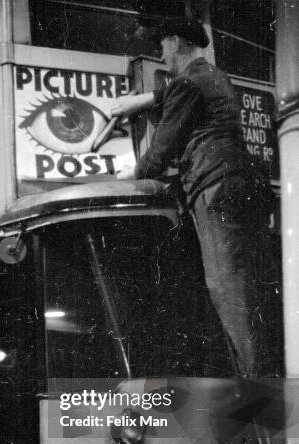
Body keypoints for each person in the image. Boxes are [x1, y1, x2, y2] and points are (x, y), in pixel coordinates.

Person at [112, 17, 280, 378]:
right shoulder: (216, 76)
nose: (162, 57)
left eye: (162, 48)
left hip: (214, 186)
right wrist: (145, 99)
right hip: (243, 184)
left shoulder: (186, 83)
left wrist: (127, 174)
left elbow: (158, 155)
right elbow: (182, 95)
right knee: (250, 289)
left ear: (175, 42)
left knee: (227, 291)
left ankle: (254, 394)